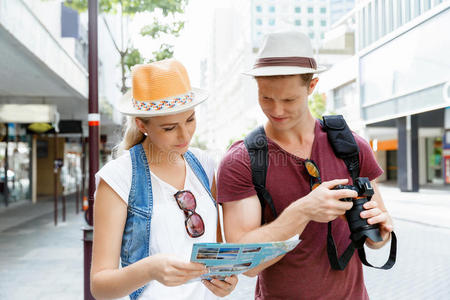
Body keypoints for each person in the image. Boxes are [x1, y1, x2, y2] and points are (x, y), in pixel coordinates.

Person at [216, 31, 394, 299]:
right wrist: (303, 211)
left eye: (289, 100)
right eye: (266, 98)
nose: (276, 110)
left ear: (312, 86)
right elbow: (246, 264)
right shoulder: (241, 160)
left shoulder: (352, 148)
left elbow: (376, 240)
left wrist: (381, 232)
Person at [91, 59, 238, 300]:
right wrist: (149, 269)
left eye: (190, 120)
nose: (185, 135)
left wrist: (226, 280)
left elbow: (217, 254)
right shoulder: (118, 178)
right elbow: (100, 286)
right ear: (142, 124)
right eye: (169, 128)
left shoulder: (206, 165)